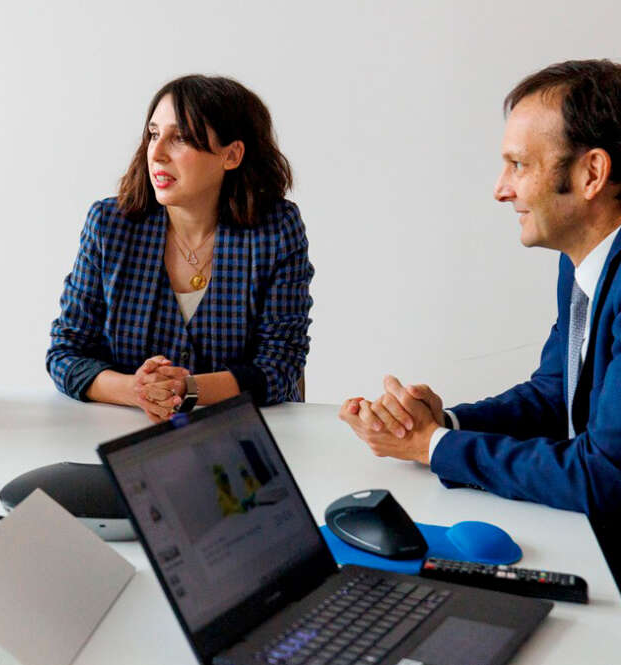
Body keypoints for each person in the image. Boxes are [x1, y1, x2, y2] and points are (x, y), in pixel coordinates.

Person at [339, 59, 621, 519]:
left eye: (518, 164)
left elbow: (605, 477)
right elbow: (556, 396)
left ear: (591, 174)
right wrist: (441, 424)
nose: (500, 189)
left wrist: (432, 447)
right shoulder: (582, 264)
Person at [47, 75, 313, 422]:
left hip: (247, 436)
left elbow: (281, 364)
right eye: (154, 134)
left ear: (231, 155)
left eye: (180, 138)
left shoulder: (275, 229)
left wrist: (185, 389)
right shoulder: (109, 224)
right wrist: (136, 390)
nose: (155, 153)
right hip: (125, 433)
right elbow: (66, 353)